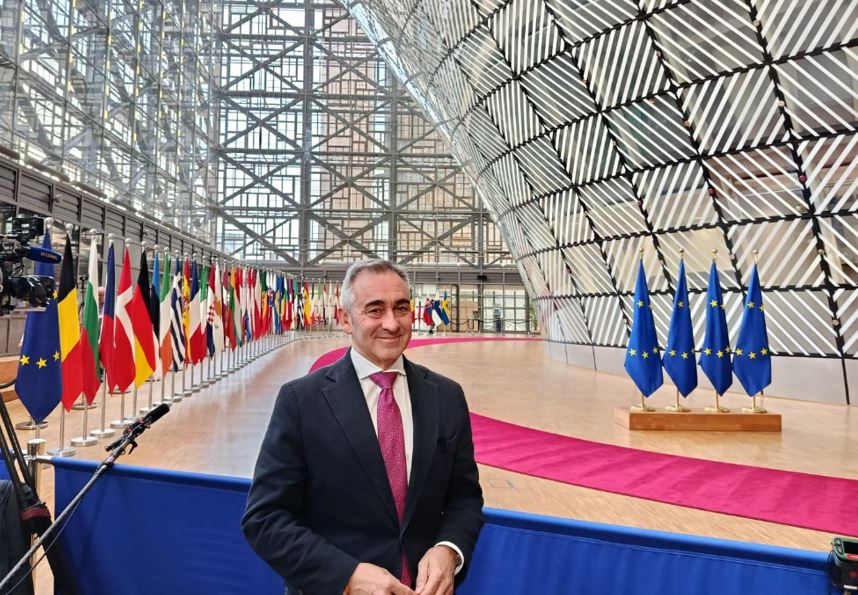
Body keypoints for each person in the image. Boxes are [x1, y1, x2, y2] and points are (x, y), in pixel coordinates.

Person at [242, 259, 484, 595]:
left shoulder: (446, 396)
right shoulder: (301, 401)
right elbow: (265, 519)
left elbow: (464, 498)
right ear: (345, 319)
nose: (392, 323)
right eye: (375, 310)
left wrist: (449, 549)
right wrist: (346, 576)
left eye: (401, 308)